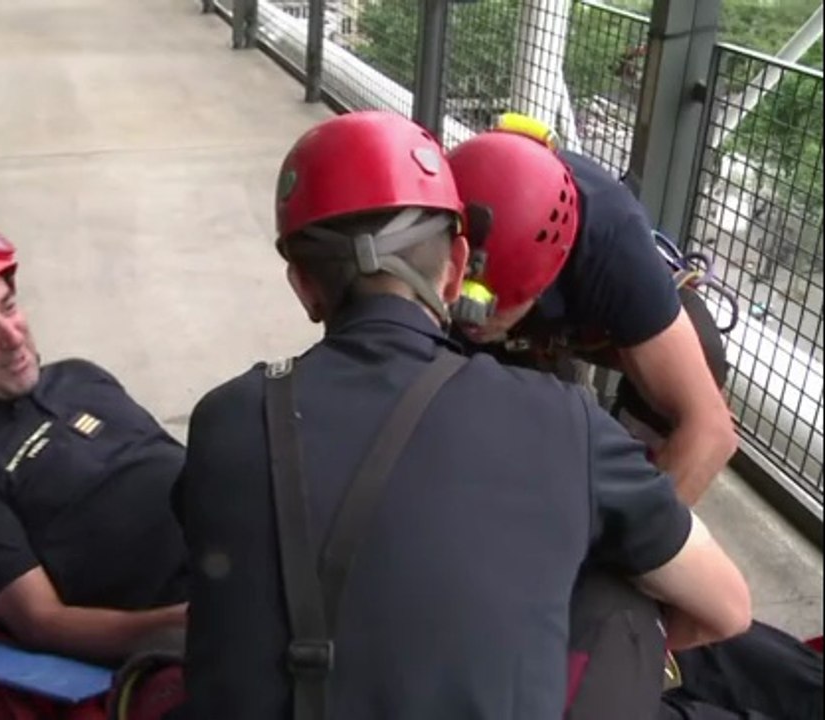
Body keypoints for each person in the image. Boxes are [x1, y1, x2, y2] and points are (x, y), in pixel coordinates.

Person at [172, 110, 752, 719]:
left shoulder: (222, 421)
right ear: (458, 264)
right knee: (623, 590)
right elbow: (728, 608)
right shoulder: (562, 425)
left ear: (303, 286)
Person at [0, 216, 190, 666]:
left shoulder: (82, 376)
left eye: (8, 306)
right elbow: (41, 621)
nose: (11, 336)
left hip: (271, 538)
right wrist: (181, 627)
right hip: (202, 611)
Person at [444, 115, 739, 505]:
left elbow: (710, 429)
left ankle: (629, 471)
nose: (474, 316)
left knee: (702, 361)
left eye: (489, 306)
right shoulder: (430, 209)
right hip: (518, 320)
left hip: (581, 317)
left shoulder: (614, 243)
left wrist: (629, 550)